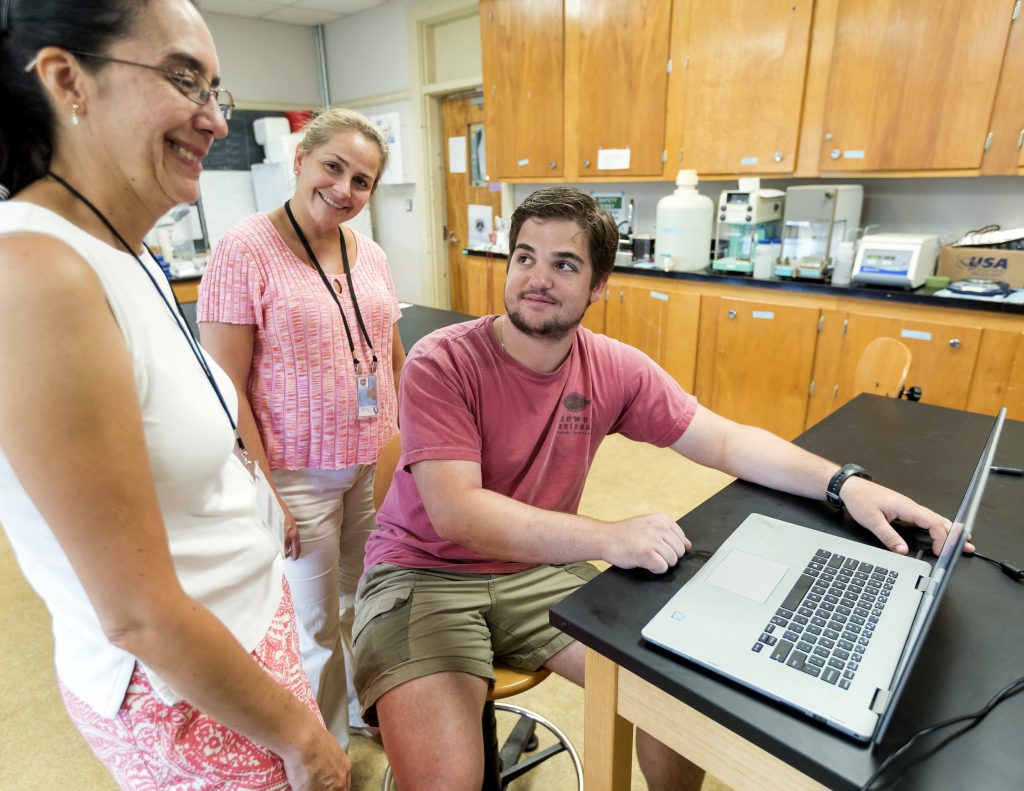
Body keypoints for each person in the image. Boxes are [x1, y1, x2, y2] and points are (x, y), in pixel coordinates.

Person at [351, 186, 956, 791]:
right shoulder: (442, 361)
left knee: (676, 694)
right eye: (525, 257)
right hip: (421, 574)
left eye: (564, 264)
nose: (537, 278)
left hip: (531, 566)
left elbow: (724, 441)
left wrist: (842, 483)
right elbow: (457, 514)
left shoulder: (612, 366)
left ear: (598, 285)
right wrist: (612, 537)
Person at [0, 1, 349, 788]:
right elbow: (139, 615)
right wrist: (304, 737)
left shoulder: (125, 251)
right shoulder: (37, 276)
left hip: (242, 637)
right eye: (185, 79)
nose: (215, 121)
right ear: (67, 81)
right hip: (191, 694)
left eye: (215, 91)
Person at [198, 106, 405, 746]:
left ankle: (366, 711)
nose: (344, 190)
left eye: (362, 181)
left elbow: (391, 351)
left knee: (367, 599)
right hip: (297, 474)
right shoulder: (243, 249)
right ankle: (330, 752)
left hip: (372, 461)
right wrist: (267, 490)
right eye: (333, 168)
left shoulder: (368, 252)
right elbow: (225, 385)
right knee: (314, 623)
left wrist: (417, 440)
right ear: (301, 160)